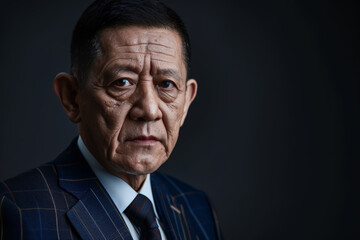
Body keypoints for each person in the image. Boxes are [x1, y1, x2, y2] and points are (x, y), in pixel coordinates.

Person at [0, 0, 222, 239]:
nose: (148, 110)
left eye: (166, 85)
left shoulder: (196, 208)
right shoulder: (19, 211)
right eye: (122, 82)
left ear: (186, 102)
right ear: (72, 98)